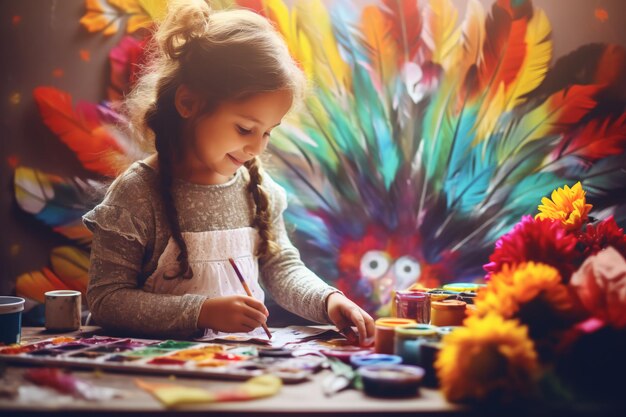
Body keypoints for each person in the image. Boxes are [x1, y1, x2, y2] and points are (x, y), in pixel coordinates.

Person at [83, 0, 375, 345]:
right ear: (188, 103)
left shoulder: (256, 187)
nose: (257, 148)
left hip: (245, 373)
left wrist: (328, 301)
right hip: (161, 377)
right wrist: (201, 311)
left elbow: (281, 267)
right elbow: (106, 301)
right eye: (244, 129)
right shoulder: (137, 194)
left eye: (268, 132)